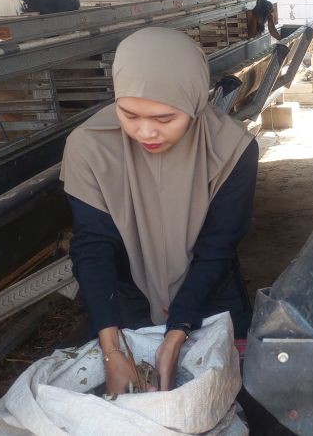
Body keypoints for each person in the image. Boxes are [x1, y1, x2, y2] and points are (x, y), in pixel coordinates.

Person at [61, 27, 258, 394]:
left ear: (196, 102)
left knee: (228, 393)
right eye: (129, 113)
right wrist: (111, 349)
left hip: (209, 288)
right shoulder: (88, 147)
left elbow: (218, 247)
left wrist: (178, 328)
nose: (145, 132)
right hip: (126, 293)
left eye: (165, 118)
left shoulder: (232, 149)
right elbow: (93, 247)